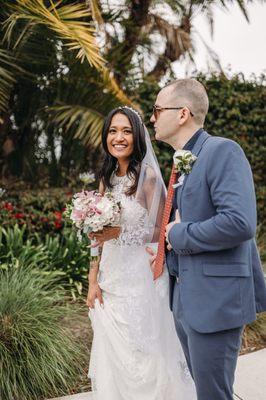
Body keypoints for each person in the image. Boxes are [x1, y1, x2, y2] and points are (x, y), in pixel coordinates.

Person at [148, 78, 266, 400]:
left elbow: (240, 223)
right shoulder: (184, 159)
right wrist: (164, 250)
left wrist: (178, 233)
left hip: (216, 300)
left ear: (183, 113)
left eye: (157, 109)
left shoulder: (222, 151)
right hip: (186, 298)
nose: (152, 118)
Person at [86, 106, 196, 400]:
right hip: (111, 278)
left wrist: (118, 232)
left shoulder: (147, 177)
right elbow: (96, 236)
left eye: (126, 131)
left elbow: (162, 231)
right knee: (115, 355)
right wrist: (93, 280)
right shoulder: (106, 178)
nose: (118, 137)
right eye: (112, 131)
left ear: (137, 137)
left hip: (141, 277)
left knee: (145, 352)